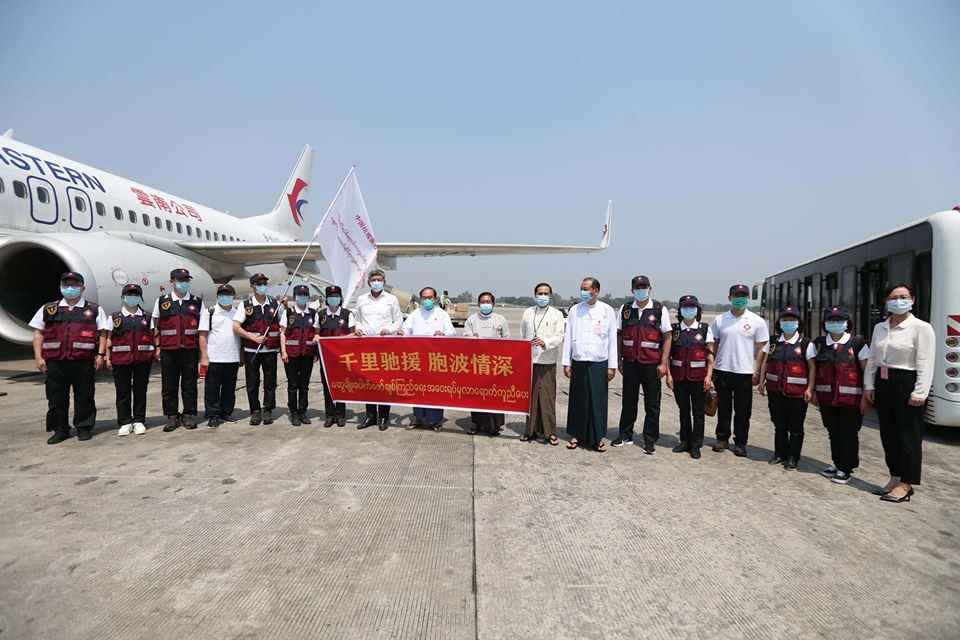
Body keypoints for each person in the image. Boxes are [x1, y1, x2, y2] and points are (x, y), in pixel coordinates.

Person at [863, 284, 935, 503]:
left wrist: (920, 392)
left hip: (907, 382)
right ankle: (894, 477)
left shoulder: (921, 327)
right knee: (889, 434)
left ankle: (907, 483)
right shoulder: (880, 328)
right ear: (886, 302)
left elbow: (925, 362)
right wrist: (869, 385)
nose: (898, 300)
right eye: (893, 297)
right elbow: (873, 359)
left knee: (908, 436)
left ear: (912, 299)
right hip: (884, 382)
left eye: (903, 297)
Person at [29, 271, 109, 443]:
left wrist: (101, 355)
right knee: (56, 397)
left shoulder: (94, 309)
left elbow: (103, 333)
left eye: (75, 285)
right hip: (56, 361)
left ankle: (83, 427)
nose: (70, 288)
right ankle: (60, 429)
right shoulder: (49, 308)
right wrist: (38, 357)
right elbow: (38, 334)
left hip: (83, 360)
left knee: (85, 395)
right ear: (60, 287)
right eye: (66, 285)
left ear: (83, 287)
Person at [710, 284, 769, 457]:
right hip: (722, 370)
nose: (740, 298)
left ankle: (741, 443)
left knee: (743, 411)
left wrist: (757, 371)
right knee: (724, 408)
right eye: (737, 295)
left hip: (745, 372)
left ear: (748, 298)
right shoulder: (720, 320)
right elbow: (714, 344)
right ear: (730, 298)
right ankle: (722, 439)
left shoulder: (756, 320)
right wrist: (711, 367)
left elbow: (761, 348)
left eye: (743, 295)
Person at [615, 275, 672, 453]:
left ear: (650, 289)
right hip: (631, 362)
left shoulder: (659, 310)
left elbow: (668, 337)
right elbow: (619, 335)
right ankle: (625, 434)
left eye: (644, 287)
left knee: (652, 403)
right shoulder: (625, 309)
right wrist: (618, 359)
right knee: (628, 401)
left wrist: (663, 363)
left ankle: (650, 438)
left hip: (651, 364)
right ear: (632, 290)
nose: (641, 290)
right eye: (637, 287)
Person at [812, 307, 870, 484]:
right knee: (833, 432)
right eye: (831, 320)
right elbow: (814, 369)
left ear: (847, 323)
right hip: (827, 399)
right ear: (825, 323)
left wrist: (866, 396)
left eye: (839, 320)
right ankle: (837, 464)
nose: (835, 323)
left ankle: (846, 468)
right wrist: (813, 391)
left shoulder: (857, 343)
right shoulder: (820, 343)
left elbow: (866, 370)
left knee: (849, 433)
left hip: (851, 400)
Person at [562, 277, 617, 452]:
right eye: (582, 289)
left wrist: (612, 365)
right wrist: (566, 362)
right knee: (578, 400)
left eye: (587, 289)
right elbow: (568, 337)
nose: (584, 292)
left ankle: (598, 437)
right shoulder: (575, 310)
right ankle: (576, 435)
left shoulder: (606, 310)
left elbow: (613, 340)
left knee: (597, 401)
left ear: (596, 291)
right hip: (579, 361)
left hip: (599, 362)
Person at [758, 306, 815, 470]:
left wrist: (809, 388)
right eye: (784, 320)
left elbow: (812, 367)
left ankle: (793, 457)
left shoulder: (805, 344)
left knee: (795, 427)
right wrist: (762, 381)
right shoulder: (774, 341)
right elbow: (765, 362)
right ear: (779, 323)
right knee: (779, 424)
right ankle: (779, 453)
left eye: (792, 320)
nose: (788, 323)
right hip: (775, 390)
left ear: (798, 323)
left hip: (797, 393)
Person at [152, 268, 203, 432]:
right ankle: (172, 416)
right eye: (180, 280)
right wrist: (158, 346)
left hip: (190, 348)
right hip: (169, 349)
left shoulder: (196, 302)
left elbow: (202, 328)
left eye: (186, 280)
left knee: (190, 384)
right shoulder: (162, 301)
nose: (183, 283)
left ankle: (188, 414)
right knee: (169, 385)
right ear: (172, 282)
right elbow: (155, 325)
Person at [233, 273, 286, 426]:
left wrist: (285, 305)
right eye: (259, 283)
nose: (262, 286)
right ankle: (255, 411)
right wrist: (253, 337)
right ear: (252, 286)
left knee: (270, 382)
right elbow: (236, 327)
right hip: (251, 351)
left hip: (270, 351)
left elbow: (284, 324)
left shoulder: (275, 305)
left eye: (264, 283)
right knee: (252, 382)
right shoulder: (245, 305)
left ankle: (268, 409)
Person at [399, 286, 455, 431]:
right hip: (417, 358)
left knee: (435, 389)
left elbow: (451, 331)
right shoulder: (415, 314)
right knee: (417, 388)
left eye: (430, 298)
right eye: (424, 298)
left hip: (435, 359)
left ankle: (436, 420)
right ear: (421, 299)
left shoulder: (442, 314)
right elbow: (406, 328)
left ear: (435, 299)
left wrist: (443, 333)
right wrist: (402, 331)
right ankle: (418, 417)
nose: (427, 300)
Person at [665, 295, 714, 459]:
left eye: (692, 306)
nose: (688, 309)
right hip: (679, 378)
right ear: (680, 310)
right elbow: (668, 355)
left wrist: (708, 377)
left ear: (697, 310)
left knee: (698, 412)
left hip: (699, 378)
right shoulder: (674, 330)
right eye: (685, 307)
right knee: (683, 410)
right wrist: (669, 375)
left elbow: (710, 356)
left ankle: (696, 444)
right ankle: (684, 441)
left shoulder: (705, 329)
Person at [354, 269, 403, 430]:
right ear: (368, 282)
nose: (376, 282)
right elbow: (358, 319)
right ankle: (370, 416)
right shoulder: (361, 299)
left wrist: (389, 329)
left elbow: (398, 320)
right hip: (367, 346)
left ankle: (383, 417)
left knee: (384, 383)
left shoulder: (391, 299)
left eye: (379, 279)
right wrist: (358, 328)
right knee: (368, 381)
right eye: (373, 279)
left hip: (386, 346)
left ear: (384, 281)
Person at [519, 282, 565, 445]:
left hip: (547, 360)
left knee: (547, 396)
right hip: (530, 361)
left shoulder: (556, 314)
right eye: (540, 293)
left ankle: (550, 432)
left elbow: (560, 336)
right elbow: (523, 334)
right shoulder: (528, 312)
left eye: (545, 293)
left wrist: (545, 342)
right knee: (530, 397)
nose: (542, 296)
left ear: (550, 295)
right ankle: (529, 431)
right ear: (535, 294)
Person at [105, 284, 154, 436]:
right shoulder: (114, 317)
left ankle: (139, 420)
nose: (132, 297)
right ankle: (125, 421)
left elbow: (153, 336)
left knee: (140, 390)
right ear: (123, 296)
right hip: (121, 360)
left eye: (135, 294)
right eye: (129, 294)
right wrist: (107, 358)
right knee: (123, 392)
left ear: (140, 297)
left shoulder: (147, 316)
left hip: (142, 359)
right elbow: (108, 339)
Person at [463, 291, 510, 436]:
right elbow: (464, 339)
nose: (485, 304)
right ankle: (476, 423)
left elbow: (508, 340)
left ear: (493, 303)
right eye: (482, 302)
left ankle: (494, 425)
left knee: (494, 394)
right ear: (478, 304)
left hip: (495, 363)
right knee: (477, 394)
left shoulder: (500, 319)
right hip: (477, 363)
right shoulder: (472, 319)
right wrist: (473, 338)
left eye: (488, 302)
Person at [199, 284, 241, 430]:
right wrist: (204, 356)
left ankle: (226, 412)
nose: (225, 296)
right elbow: (203, 335)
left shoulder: (238, 313)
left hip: (232, 357)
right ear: (217, 296)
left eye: (228, 294)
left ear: (233, 295)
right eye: (222, 294)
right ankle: (212, 415)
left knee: (230, 388)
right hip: (214, 357)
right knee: (212, 388)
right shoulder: (209, 312)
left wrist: (241, 356)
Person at [313, 285, 355, 427]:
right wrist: (317, 338)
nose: (334, 298)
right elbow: (317, 332)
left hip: (342, 357)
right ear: (326, 299)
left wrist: (341, 340)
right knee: (327, 387)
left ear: (340, 298)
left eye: (336, 296)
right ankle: (329, 415)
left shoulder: (347, 314)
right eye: (331, 296)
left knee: (341, 385)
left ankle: (341, 414)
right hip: (326, 358)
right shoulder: (321, 315)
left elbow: (353, 333)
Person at [281, 285, 320, 427]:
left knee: (304, 385)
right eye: (299, 295)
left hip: (307, 354)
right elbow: (283, 333)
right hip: (291, 354)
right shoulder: (289, 313)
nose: (302, 297)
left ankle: (303, 411)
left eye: (304, 295)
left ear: (308, 297)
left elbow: (316, 333)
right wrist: (283, 352)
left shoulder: (313, 313)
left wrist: (315, 352)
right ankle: (294, 412)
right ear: (295, 296)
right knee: (293, 385)